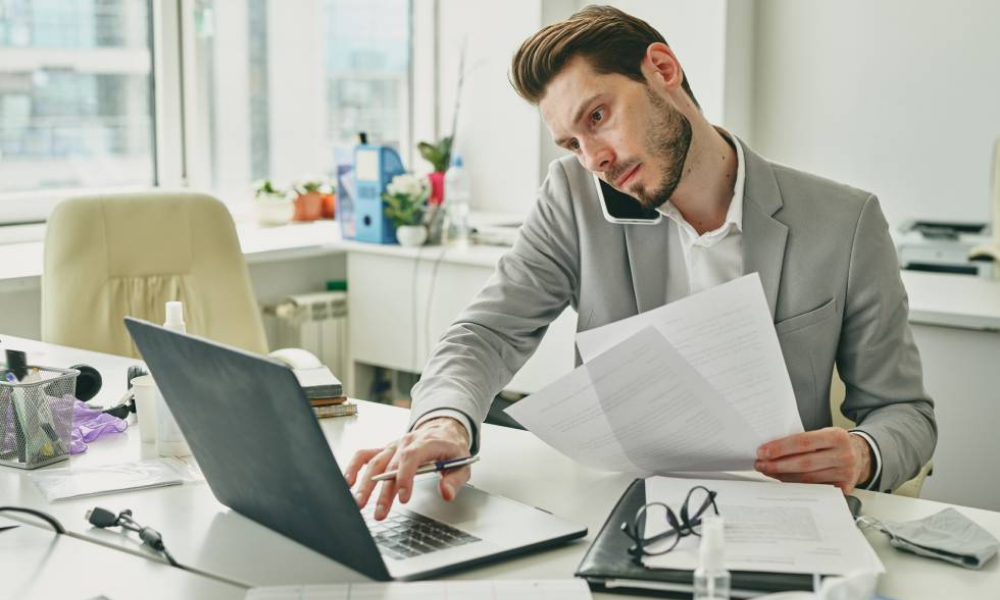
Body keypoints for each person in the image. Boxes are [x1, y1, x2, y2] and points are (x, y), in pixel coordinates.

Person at [346, 5, 937, 521]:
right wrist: (442, 422)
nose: (594, 158)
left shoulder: (845, 222)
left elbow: (902, 412)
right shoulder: (573, 199)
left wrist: (863, 452)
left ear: (662, 69)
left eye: (598, 116)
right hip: (621, 510)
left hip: (781, 514)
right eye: (573, 143)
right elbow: (486, 332)